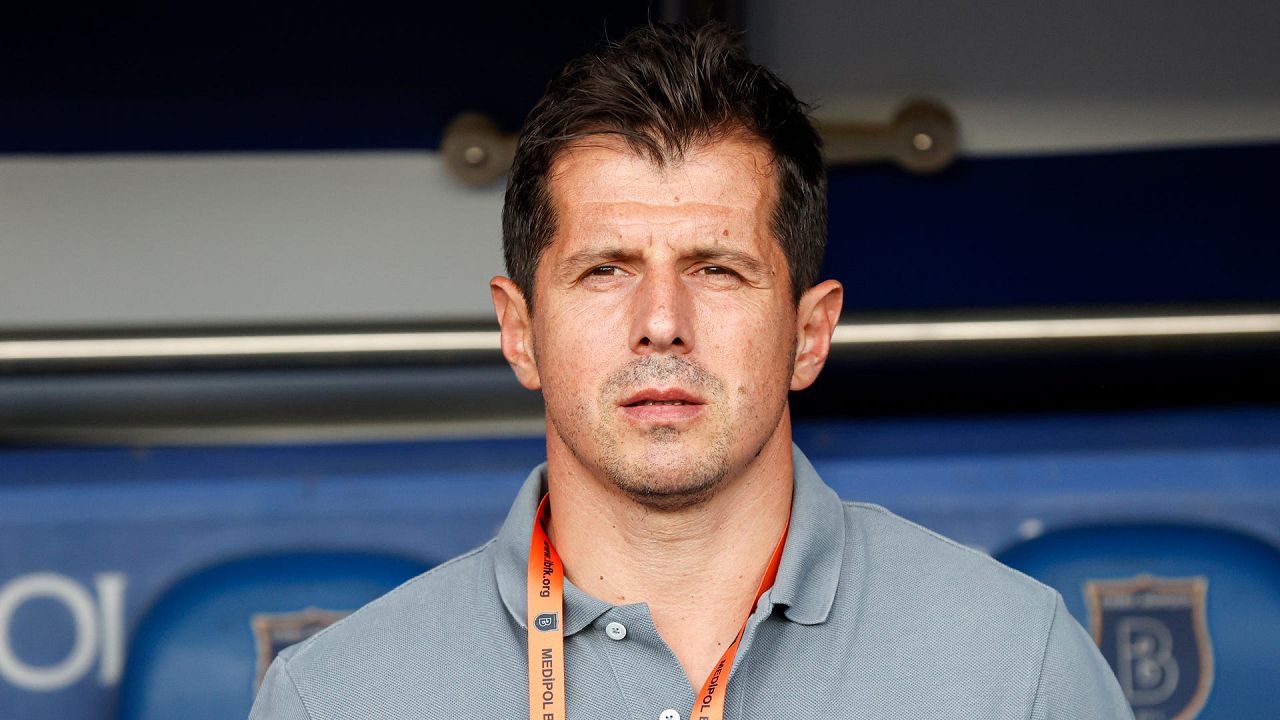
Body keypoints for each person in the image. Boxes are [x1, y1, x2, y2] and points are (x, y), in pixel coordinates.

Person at [250, 22, 1132, 720]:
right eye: (606, 270)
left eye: (717, 269)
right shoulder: (337, 700)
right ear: (519, 332)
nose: (662, 323)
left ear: (810, 334)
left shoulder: (1015, 669)